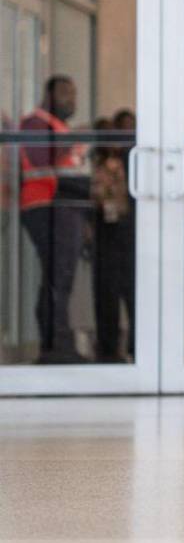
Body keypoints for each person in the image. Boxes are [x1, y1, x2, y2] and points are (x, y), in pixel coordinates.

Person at [19, 75, 90, 363]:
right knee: (57, 278)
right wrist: (75, 139)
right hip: (46, 206)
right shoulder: (36, 122)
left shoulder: (60, 127)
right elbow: (40, 158)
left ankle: (60, 345)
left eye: (74, 94)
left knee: (61, 278)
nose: (72, 101)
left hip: (65, 208)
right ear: (48, 94)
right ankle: (55, 348)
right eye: (65, 94)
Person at [91, 114, 135, 362]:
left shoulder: (129, 162)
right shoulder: (97, 164)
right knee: (106, 291)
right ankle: (108, 347)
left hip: (126, 231)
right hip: (105, 232)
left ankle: (136, 345)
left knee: (130, 289)